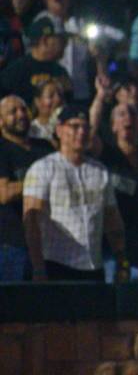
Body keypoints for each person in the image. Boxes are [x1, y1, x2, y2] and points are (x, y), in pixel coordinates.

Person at [22, 104, 128, 281]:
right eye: (74, 126)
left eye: (85, 127)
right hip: (57, 263)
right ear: (59, 130)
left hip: (93, 265)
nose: (81, 132)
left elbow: (112, 219)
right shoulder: (43, 168)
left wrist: (122, 260)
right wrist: (38, 266)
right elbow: (32, 220)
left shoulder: (100, 171)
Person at [100, 103, 138, 281]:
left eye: (133, 114)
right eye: (121, 114)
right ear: (112, 125)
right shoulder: (107, 154)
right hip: (113, 245)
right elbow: (89, 134)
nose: (128, 117)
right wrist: (102, 97)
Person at [0, 95, 52, 280]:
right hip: (12, 245)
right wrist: (42, 182)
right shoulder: (2, 149)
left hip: (49, 244)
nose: (21, 114)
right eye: (12, 112)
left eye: (23, 109)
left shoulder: (45, 147)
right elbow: (4, 193)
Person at [1, 15, 70, 104]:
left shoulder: (61, 72)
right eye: (62, 40)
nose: (66, 44)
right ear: (45, 41)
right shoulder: (15, 73)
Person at [28, 78, 63, 144]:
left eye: (60, 95)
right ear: (37, 101)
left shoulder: (68, 127)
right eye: (51, 96)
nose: (58, 99)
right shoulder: (30, 130)